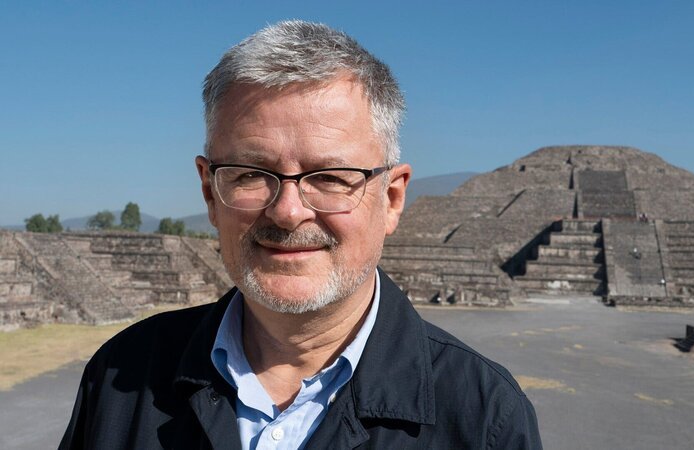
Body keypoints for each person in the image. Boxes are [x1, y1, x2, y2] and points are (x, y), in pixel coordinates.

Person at [59, 21, 542, 449]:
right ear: (209, 192)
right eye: (250, 173)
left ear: (391, 199)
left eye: (330, 177)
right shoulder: (122, 375)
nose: (288, 212)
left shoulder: (484, 420)